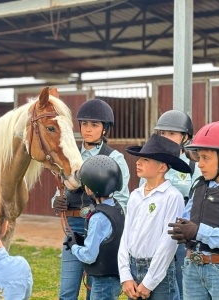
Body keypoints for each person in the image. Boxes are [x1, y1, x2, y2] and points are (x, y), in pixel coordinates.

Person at [52, 99, 130, 300]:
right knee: (67, 291)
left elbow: (121, 198)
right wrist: (56, 201)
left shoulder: (115, 158)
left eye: (94, 125)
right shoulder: (70, 154)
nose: (88, 129)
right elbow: (60, 187)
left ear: (105, 129)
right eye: (85, 124)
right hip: (74, 227)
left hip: (101, 228)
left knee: (94, 291)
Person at [168, 121, 219, 300]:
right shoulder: (200, 186)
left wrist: (198, 231)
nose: (200, 164)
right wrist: (182, 231)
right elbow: (187, 217)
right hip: (191, 268)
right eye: (199, 158)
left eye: (206, 158)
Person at [118, 134, 191, 300]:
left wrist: (149, 282)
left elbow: (168, 243)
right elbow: (126, 236)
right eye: (139, 159)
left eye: (145, 160)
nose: (138, 162)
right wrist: (125, 275)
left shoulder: (172, 197)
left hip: (159, 273)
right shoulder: (135, 195)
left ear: (162, 167)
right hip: (133, 268)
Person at [139, 110, 201, 299]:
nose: (165, 137)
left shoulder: (194, 167)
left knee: (183, 287)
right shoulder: (151, 164)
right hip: (154, 235)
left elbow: (197, 203)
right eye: (163, 133)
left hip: (182, 238)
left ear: (186, 137)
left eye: (172, 134)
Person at [63, 155, 125, 300]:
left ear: (90, 188)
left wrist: (73, 247)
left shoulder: (97, 217)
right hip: (114, 278)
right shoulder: (117, 207)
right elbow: (105, 240)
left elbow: (90, 256)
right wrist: (83, 240)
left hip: (103, 282)